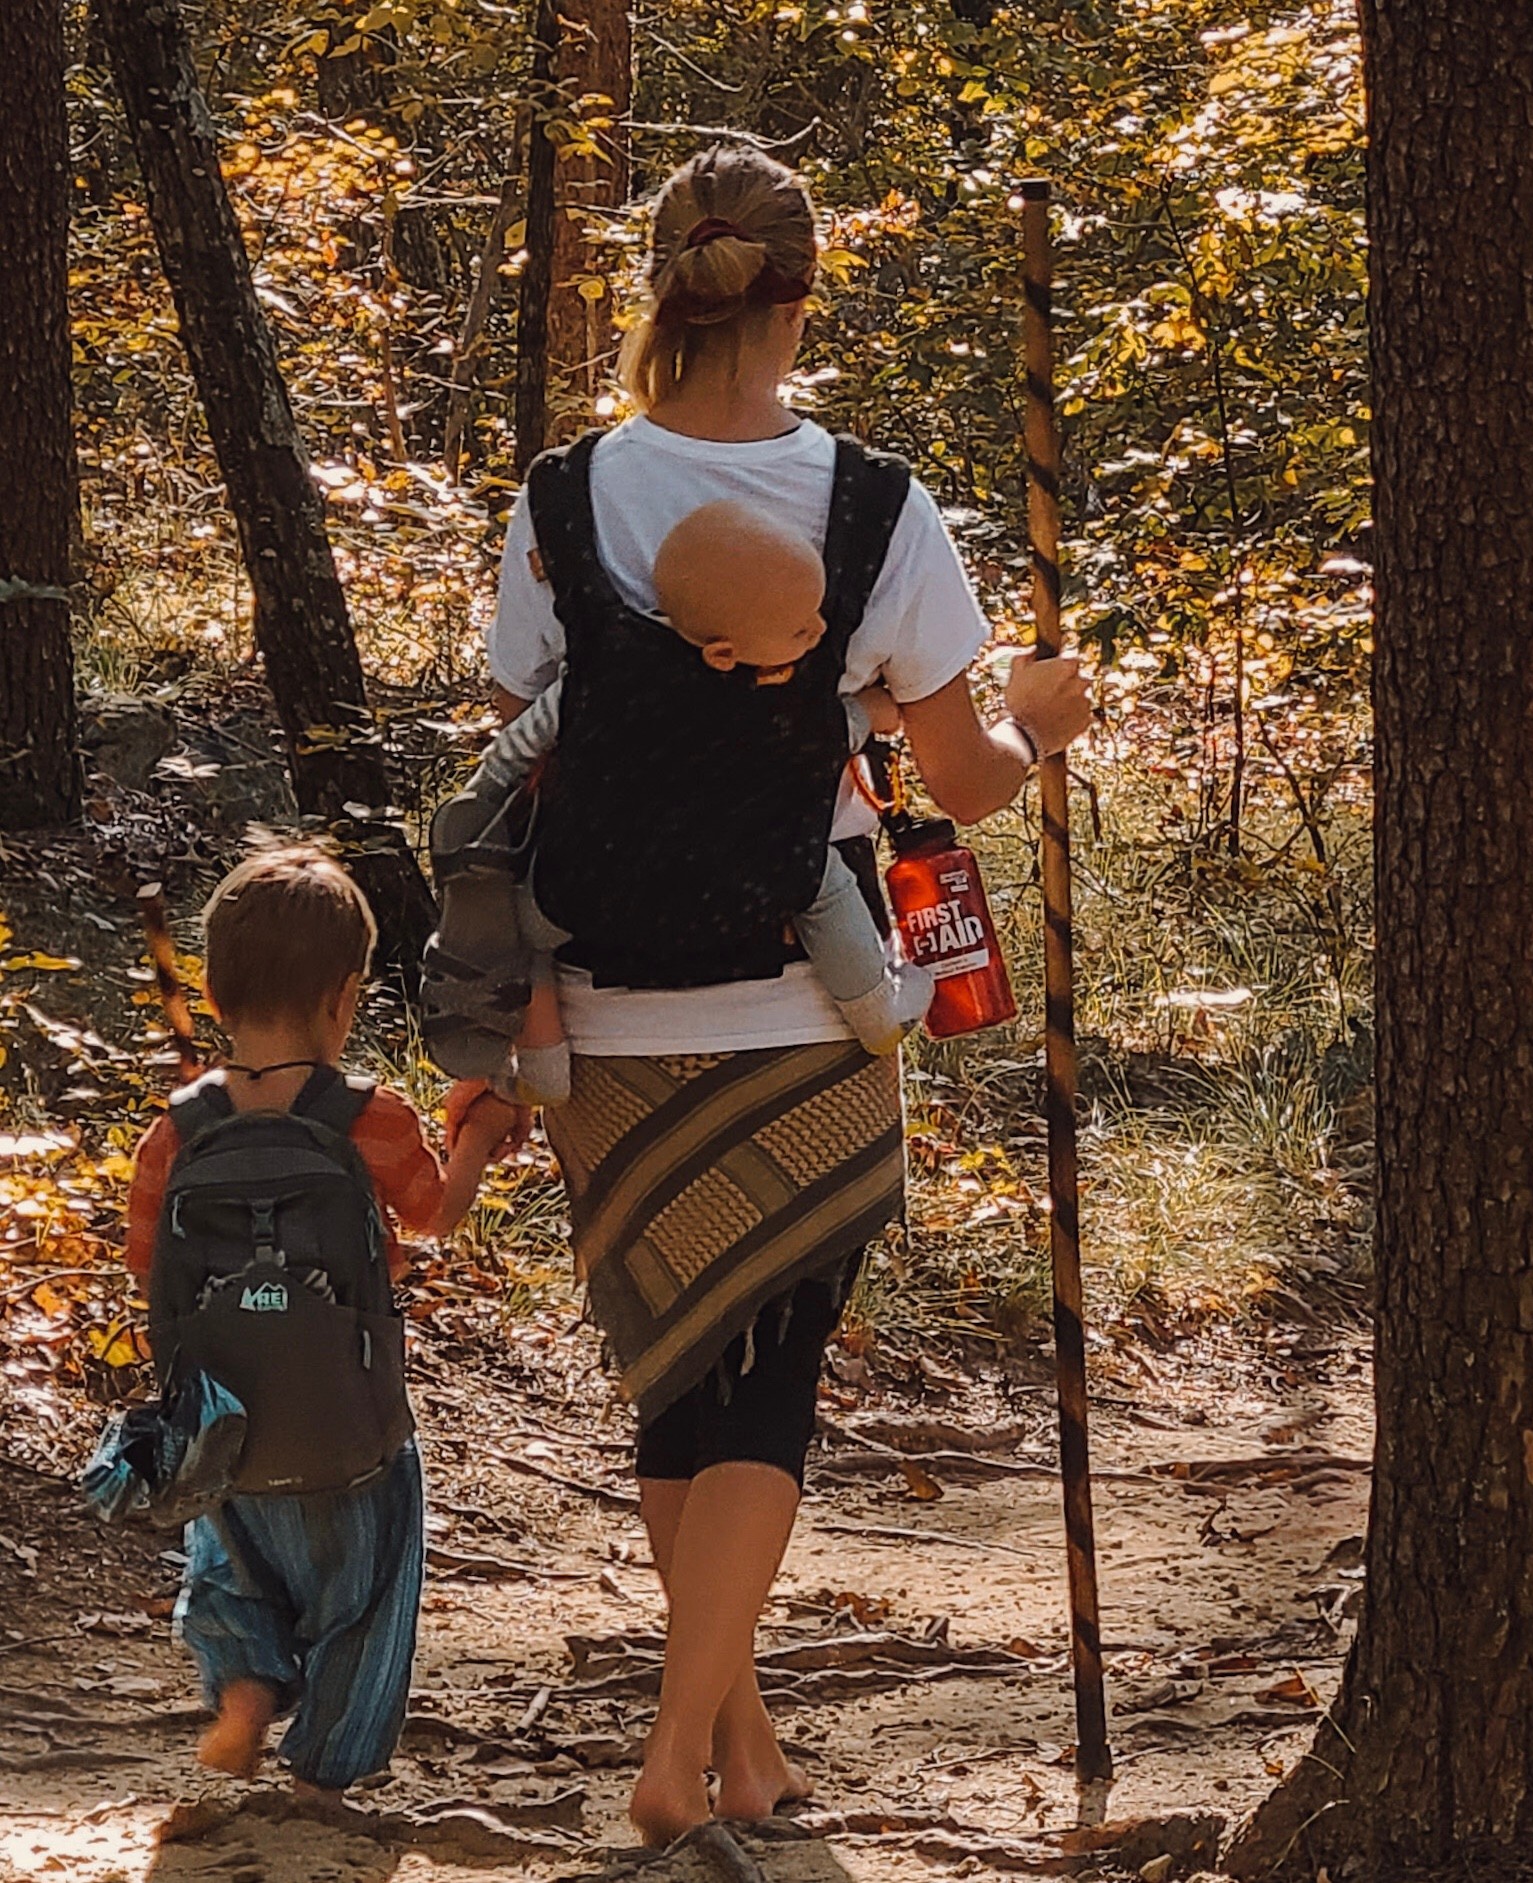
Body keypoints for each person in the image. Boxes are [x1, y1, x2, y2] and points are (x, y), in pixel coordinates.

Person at [482, 144, 1090, 1845]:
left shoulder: (559, 497)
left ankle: (741, 1745)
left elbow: (530, 743)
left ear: (662, 288)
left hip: (600, 1004)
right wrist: (1047, 710)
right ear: (803, 295)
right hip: (805, 1008)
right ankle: (678, 1749)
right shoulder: (878, 508)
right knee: (767, 1382)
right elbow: (962, 782)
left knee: (679, 1375)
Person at [120, 845, 521, 1795]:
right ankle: (326, 1769)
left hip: (223, 1429)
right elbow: (436, 1212)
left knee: (229, 1562)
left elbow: (149, 1272)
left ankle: (246, 1687)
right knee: (369, 1587)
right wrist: (481, 1128)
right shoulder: (369, 1116)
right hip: (355, 1427)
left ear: (212, 995)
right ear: (346, 997)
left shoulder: (174, 1131)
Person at [444, 500, 933, 1101]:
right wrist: (883, 710)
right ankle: (879, 1014)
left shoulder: (597, 677)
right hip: (755, 882)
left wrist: (477, 806)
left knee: (520, 931)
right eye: (802, 625)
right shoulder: (780, 704)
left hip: (591, 880)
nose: (820, 632)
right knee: (826, 888)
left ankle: (544, 1067)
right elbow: (851, 723)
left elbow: (516, 750)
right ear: (724, 653)